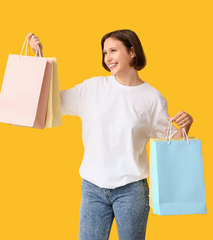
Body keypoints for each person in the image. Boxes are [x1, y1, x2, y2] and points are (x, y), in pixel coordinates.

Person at [27, 30, 193, 240]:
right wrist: (39, 59)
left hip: (132, 191)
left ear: (132, 52)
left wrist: (186, 127)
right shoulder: (92, 88)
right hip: (92, 188)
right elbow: (52, 102)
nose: (108, 58)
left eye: (113, 50)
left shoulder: (152, 98)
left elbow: (172, 143)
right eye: (105, 52)